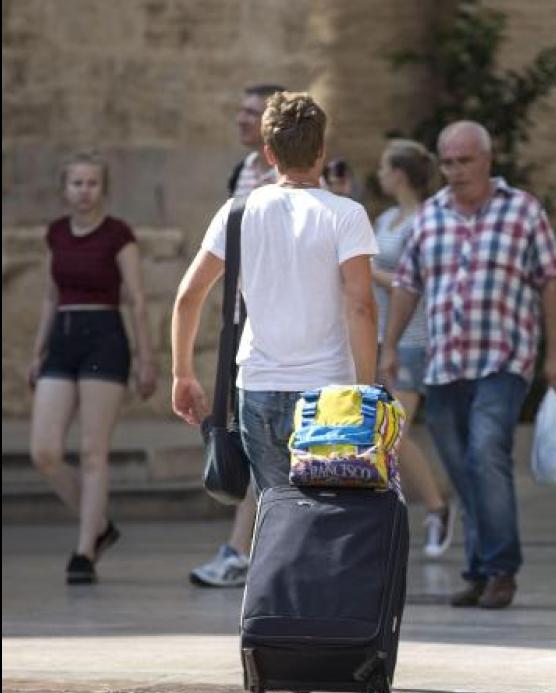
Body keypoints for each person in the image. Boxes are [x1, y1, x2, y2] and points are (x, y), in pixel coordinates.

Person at [381, 120, 556, 611]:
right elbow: (407, 286)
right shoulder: (428, 218)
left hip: (503, 359)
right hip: (443, 364)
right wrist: (388, 347)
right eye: (447, 162)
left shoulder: (523, 211)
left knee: (487, 452)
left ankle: (501, 569)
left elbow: (551, 280)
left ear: (487, 160)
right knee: (462, 468)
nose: (456, 171)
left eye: (465, 161)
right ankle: (479, 567)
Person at [171, 92, 379, 499]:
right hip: (330, 390)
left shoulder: (237, 212)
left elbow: (188, 296)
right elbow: (360, 306)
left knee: (277, 511)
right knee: (328, 514)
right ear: (321, 150)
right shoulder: (346, 215)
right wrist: (366, 389)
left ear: (268, 153)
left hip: (260, 387)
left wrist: (182, 373)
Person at [28, 152, 159, 585]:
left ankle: (85, 549)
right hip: (64, 336)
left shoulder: (119, 235)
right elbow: (50, 296)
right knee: (44, 451)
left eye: (92, 183)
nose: (84, 191)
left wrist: (147, 357)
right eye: (77, 183)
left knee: (92, 451)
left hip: (105, 335)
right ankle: (100, 523)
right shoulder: (56, 234)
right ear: (64, 188)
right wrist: (38, 350)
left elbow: (137, 299)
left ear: (103, 189)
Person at [190, 82, 287, 588]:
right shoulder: (242, 174)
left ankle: (241, 548)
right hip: (242, 315)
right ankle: (246, 547)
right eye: (241, 110)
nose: (242, 120)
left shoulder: (286, 178)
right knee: (241, 432)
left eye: (253, 113)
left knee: (258, 436)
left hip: (276, 319)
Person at [371, 139, 457, 557]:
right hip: (382, 338)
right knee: (380, 434)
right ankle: (403, 512)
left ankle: (438, 508)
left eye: (384, 168)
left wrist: (372, 273)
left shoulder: (425, 220)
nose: (379, 175)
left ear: (400, 173)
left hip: (415, 340)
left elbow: (420, 284)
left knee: (393, 432)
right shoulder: (385, 218)